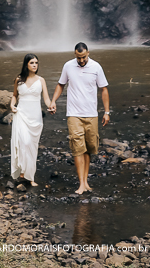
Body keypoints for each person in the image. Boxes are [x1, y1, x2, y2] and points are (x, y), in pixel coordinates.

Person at [49, 41, 110, 195]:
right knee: (77, 148)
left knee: (88, 149)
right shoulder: (68, 66)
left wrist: (107, 112)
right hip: (74, 114)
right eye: (78, 58)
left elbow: (104, 89)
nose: (81, 60)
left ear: (88, 53)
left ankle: (86, 181)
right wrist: (53, 101)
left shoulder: (96, 67)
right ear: (75, 55)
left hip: (91, 114)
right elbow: (60, 84)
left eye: (83, 57)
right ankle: (81, 183)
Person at [10, 53, 52, 186]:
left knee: (32, 146)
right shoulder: (19, 79)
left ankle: (30, 177)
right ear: (26, 64)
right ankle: (22, 171)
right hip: (21, 114)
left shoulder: (41, 80)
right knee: (24, 142)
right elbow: (14, 96)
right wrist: (12, 105)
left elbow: (46, 98)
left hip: (35, 117)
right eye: (32, 63)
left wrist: (50, 106)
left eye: (36, 63)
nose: (34, 65)